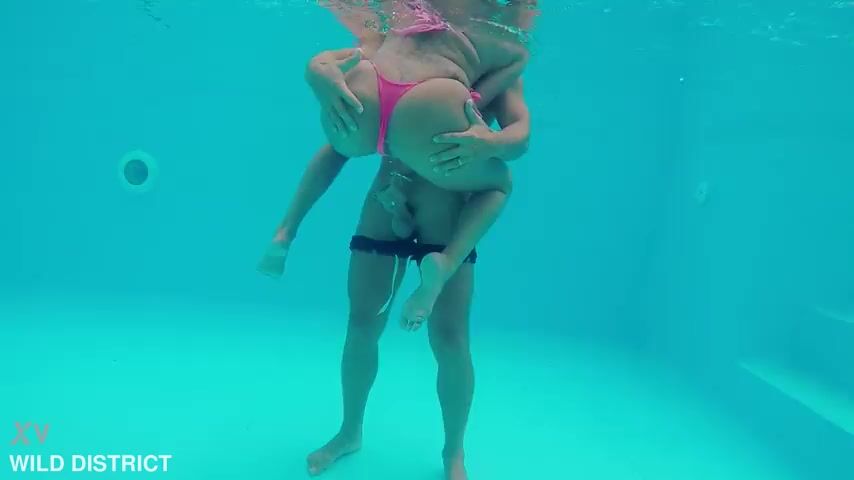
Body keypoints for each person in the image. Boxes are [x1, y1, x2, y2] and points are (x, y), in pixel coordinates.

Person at [258, 45, 531, 480]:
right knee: (364, 326)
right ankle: (351, 432)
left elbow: (520, 133)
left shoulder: (493, 62)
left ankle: (452, 452)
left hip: (426, 208)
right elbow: (341, 139)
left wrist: (491, 142)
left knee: (447, 338)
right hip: (402, 205)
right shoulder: (414, 47)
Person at [266, 0, 538, 332]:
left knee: (337, 148)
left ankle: (285, 232)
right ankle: (446, 263)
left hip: (368, 91)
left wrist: (316, 70)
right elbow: (519, 134)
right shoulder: (507, 42)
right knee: (500, 183)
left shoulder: (397, 16)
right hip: (430, 109)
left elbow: (354, 52)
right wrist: (489, 141)